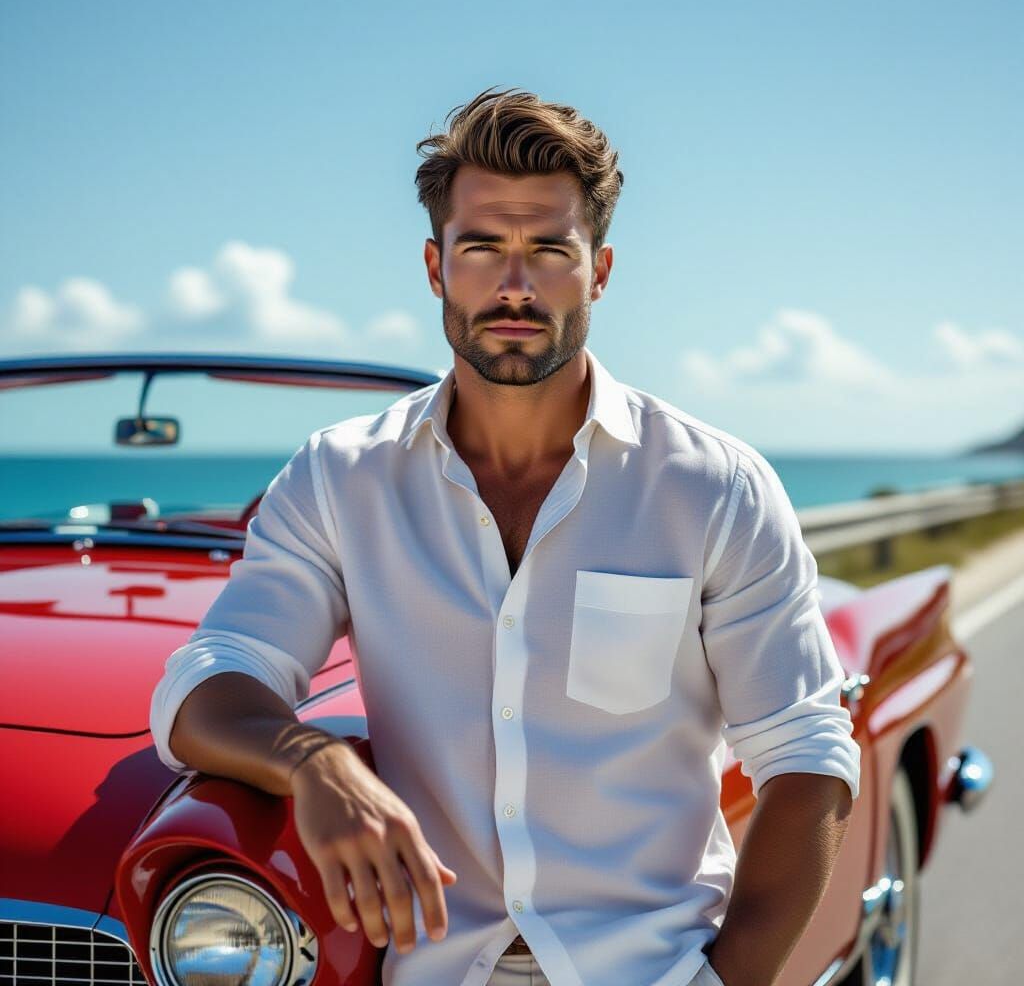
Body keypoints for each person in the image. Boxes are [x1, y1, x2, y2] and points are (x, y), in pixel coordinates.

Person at [150, 86, 860, 986]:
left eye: (549, 251)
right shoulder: (341, 478)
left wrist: (726, 982)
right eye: (481, 247)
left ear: (599, 270)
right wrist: (312, 760)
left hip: (652, 968)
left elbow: (804, 753)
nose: (514, 285)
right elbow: (209, 682)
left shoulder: (713, 487)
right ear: (434, 265)